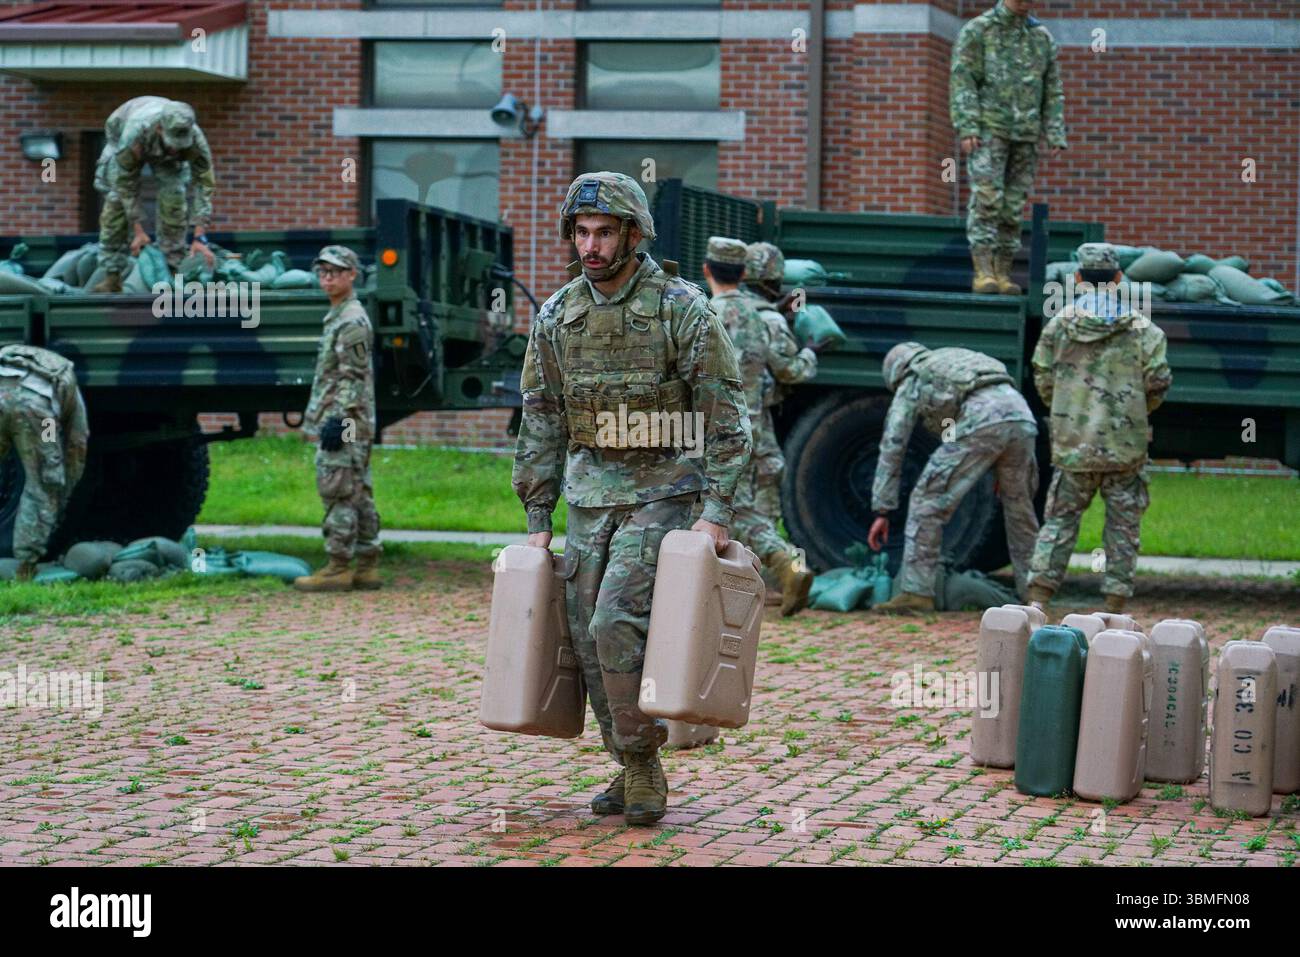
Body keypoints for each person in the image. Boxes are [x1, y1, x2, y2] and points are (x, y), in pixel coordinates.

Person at [512, 172, 751, 825]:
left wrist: (717, 513)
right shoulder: (559, 315)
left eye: (604, 232)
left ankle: (644, 764)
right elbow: (541, 416)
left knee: (614, 622)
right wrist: (538, 513)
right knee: (586, 641)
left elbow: (728, 421)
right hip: (591, 492)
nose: (591, 245)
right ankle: (627, 756)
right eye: (581, 232)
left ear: (633, 234)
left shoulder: (681, 309)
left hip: (663, 488)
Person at [1026, 243, 1171, 613]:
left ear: (1076, 278)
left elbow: (1042, 376)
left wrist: (1067, 411)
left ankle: (1039, 599)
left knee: (1059, 523)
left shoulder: (1058, 327)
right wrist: (1135, 412)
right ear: (1119, 279)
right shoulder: (1143, 329)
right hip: (1125, 448)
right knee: (1122, 529)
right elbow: (1157, 382)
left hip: (1073, 445)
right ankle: (1114, 605)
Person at [868, 343, 1039, 613]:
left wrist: (882, 508)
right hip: (1023, 418)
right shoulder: (954, 357)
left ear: (896, 374)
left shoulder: (914, 377)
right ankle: (1034, 594)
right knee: (1020, 513)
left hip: (982, 419)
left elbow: (894, 443)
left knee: (927, 500)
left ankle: (916, 593)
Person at [706, 237, 817, 615]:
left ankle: (775, 569)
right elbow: (788, 369)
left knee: (716, 508)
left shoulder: (702, 312)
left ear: (707, 270)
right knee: (745, 507)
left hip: (704, 430)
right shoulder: (762, 318)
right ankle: (779, 570)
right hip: (750, 427)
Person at [950, 0, 1066, 295]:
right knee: (988, 199)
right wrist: (968, 125)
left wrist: (1054, 131)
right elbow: (963, 79)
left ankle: (1003, 271)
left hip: (1025, 132)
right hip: (990, 129)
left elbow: (1052, 88)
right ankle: (984, 271)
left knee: (1013, 206)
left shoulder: (1041, 37)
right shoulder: (980, 30)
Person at [294, 246, 382, 592]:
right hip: (345, 418)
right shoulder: (340, 315)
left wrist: (338, 420)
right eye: (322, 272)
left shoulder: (351, 320)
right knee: (357, 489)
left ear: (352, 275)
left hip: (344, 421)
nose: (327, 278)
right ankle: (368, 564)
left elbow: (352, 376)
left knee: (338, 489)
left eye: (335, 271)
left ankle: (338, 566)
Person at [92, 96, 216, 293]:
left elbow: (205, 184)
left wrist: (199, 237)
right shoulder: (134, 134)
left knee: (174, 195)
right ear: (160, 128)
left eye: (180, 144)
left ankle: (171, 266)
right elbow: (126, 184)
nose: (176, 148)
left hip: (161, 154)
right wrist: (138, 231)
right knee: (116, 201)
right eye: (173, 142)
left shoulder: (195, 141)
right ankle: (112, 276)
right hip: (121, 136)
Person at [0, 345, 89, 580]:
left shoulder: (13, 355)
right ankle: (26, 565)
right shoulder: (70, 389)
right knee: (44, 482)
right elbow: (76, 446)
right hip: (40, 414)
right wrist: (63, 490)